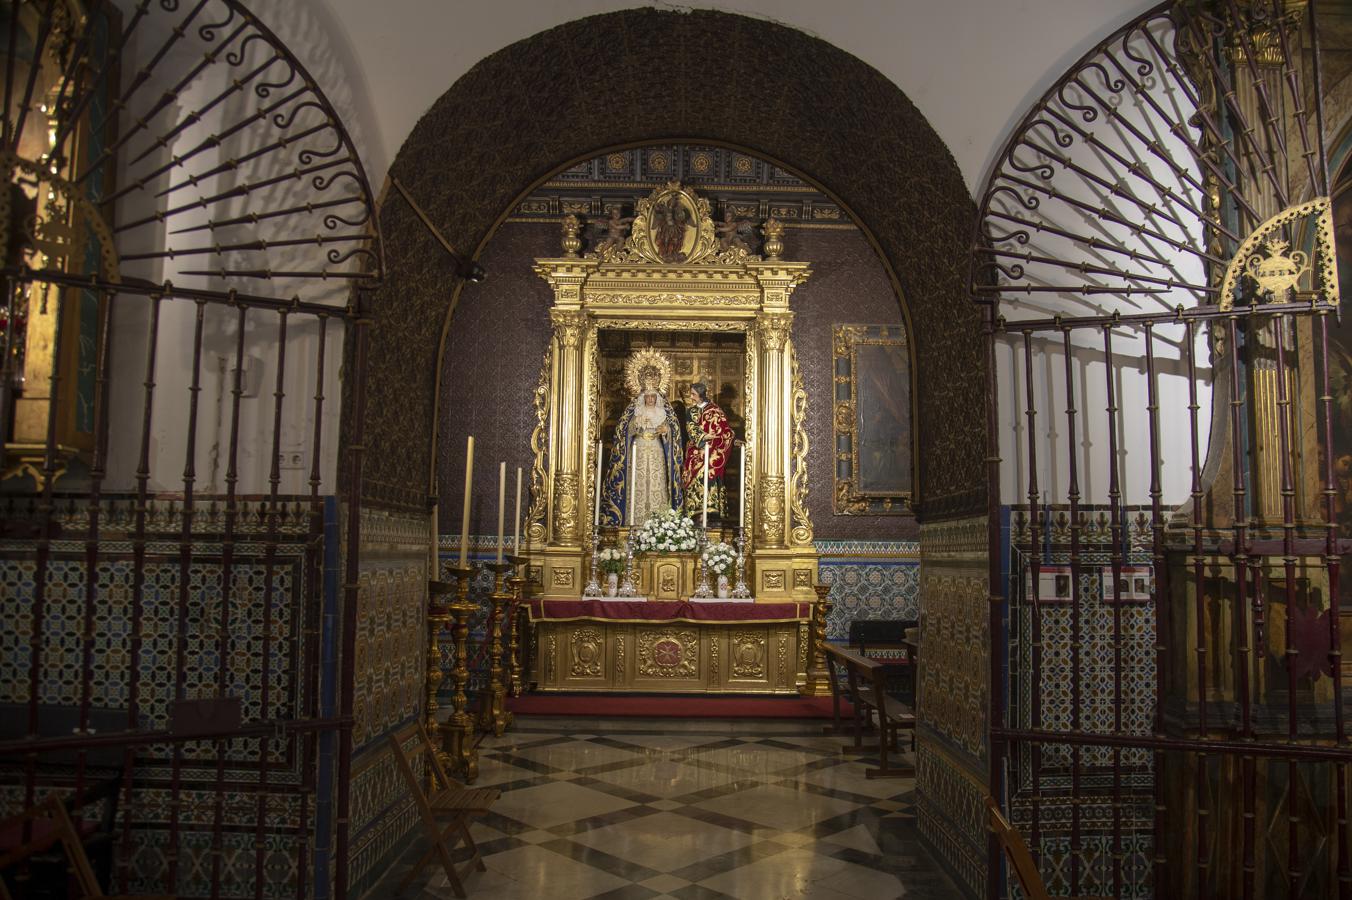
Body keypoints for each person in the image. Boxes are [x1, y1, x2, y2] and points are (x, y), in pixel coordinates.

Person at [599, 376, 684, 526]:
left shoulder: (662, 413)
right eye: (648, 396)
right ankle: (634, 521)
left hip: (656, 448)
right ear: (643, 398)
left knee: (656, 479)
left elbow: (671, 432)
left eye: (653, 396)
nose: (650, 399)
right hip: (639, 447)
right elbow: (625, 431)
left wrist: (665, 430)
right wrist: (636, 426)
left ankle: (659, 521)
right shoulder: (636, 412)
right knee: (638, 480)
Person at [681, 382, 734, 523]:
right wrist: (703, 437)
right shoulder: (690, 411)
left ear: (701, 394)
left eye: (694, 394)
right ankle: (694, 511)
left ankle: (711, 511)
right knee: (694, 478)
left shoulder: (716, 410)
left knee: (711, 475)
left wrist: (726, 435)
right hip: (696, 453)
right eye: (691, 394)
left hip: (712, 452)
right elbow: (691, 428)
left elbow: (724, 429)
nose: (691, 397)